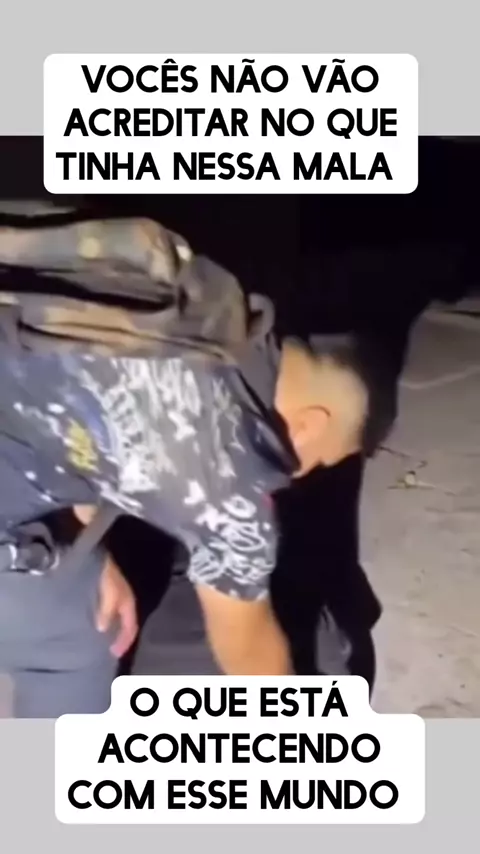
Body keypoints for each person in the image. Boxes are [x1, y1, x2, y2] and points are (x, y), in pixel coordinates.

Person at [0, 205, 387, 717]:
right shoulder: (228, 485)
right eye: (317, 461)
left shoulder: (199, 302)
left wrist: (86, 550)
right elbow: (248, 653)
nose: (301, 475)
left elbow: (83, 416)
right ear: (310, 425)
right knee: (79, 641)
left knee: (81, 582)